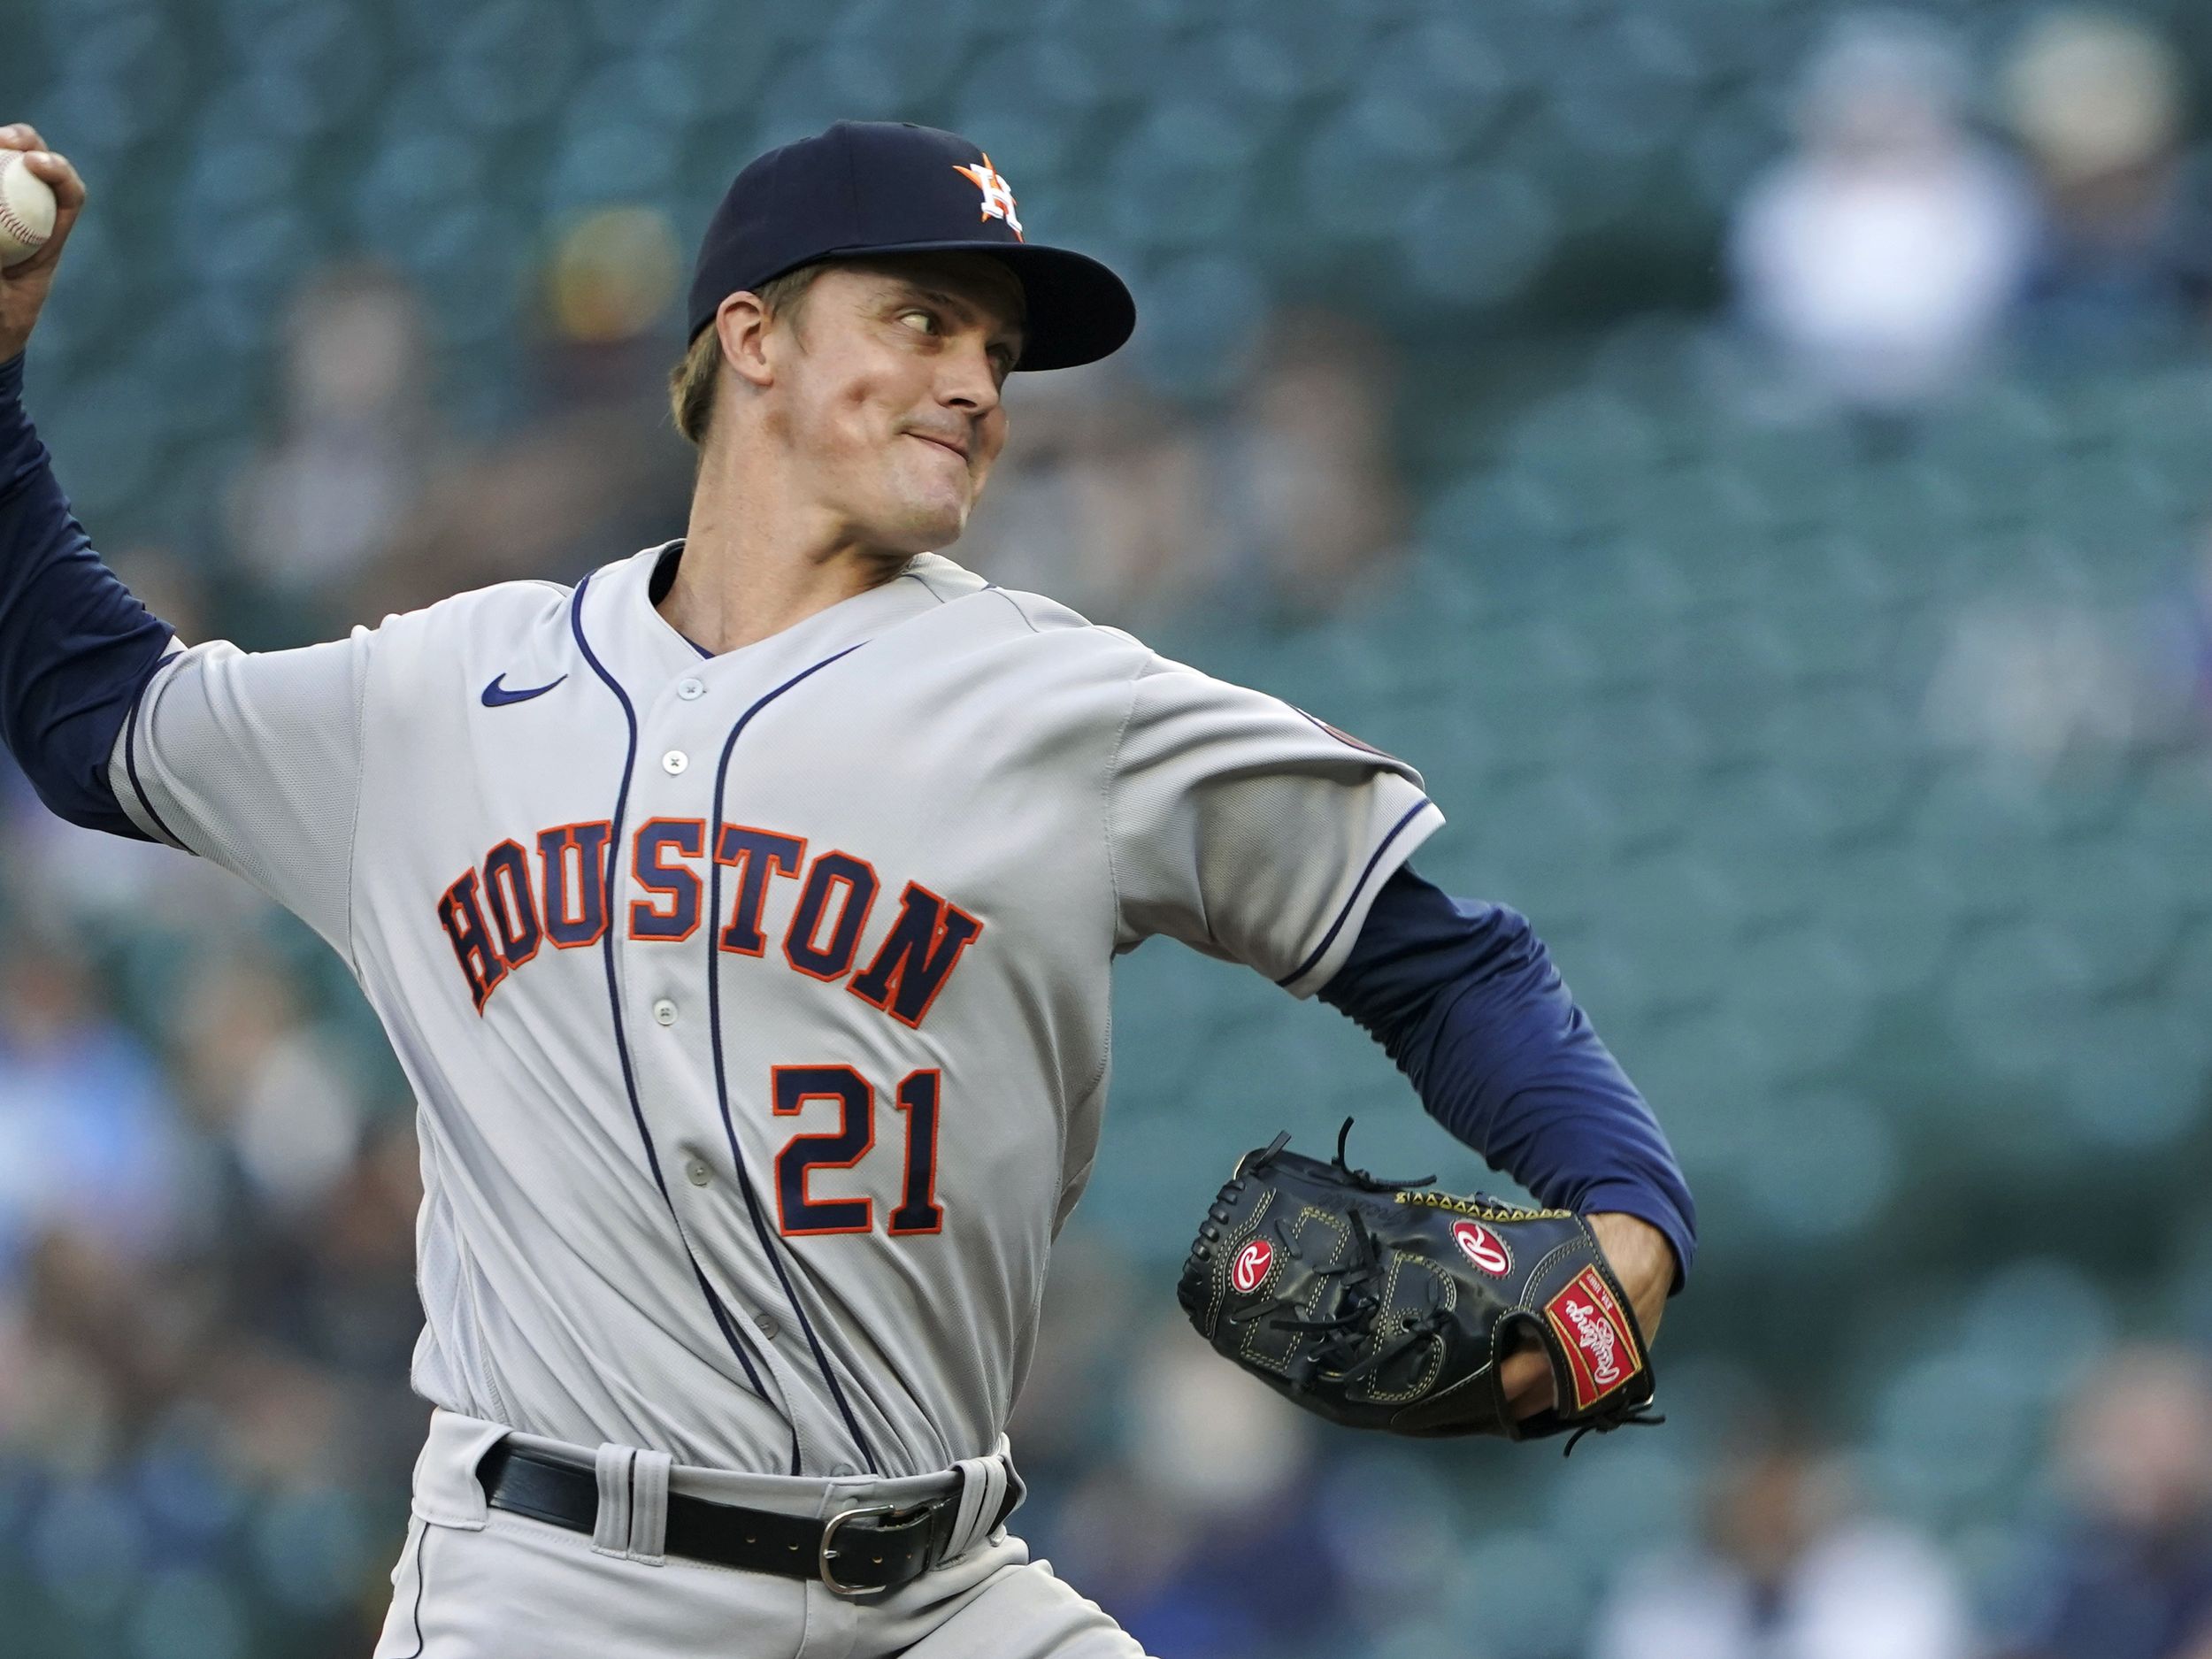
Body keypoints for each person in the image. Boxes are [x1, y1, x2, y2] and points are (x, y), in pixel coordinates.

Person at [0, 119, 1694, 1657]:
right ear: (751, 337)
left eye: (999, 351)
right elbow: (95, 720)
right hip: (556, 1592)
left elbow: (1445, 963)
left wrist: (1629, 1225)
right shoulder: (442, 695)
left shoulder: (1068, 706)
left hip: (942, 1592)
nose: (977, 381)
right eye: (921, 320)